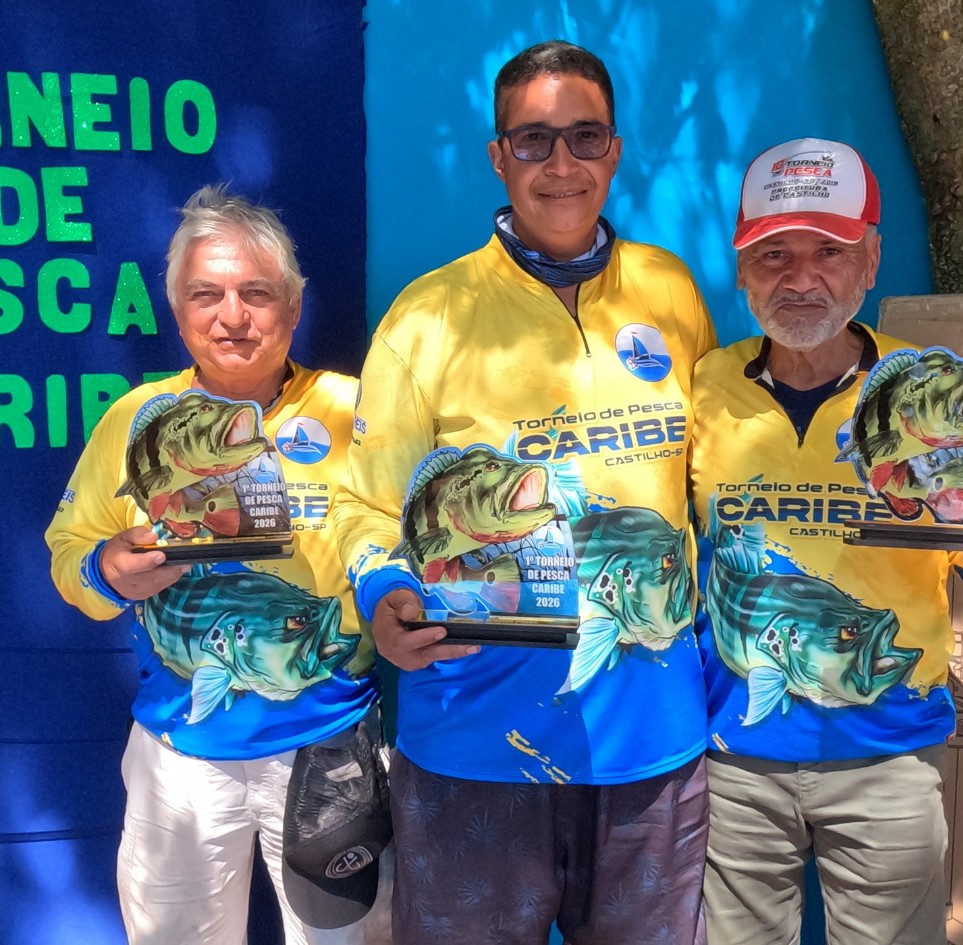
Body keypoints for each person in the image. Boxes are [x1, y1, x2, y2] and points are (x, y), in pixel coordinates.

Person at [333, 40, 717, 945]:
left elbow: (711, 484)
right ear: (498, 157)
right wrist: (383, 594)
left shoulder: (669, 292)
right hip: (472, 741)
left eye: (585, 137)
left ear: (614, 150)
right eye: (534, 140)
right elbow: (364, 506)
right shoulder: (426, 317)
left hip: (651, 746)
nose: (562, 163)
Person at [690, 137, 963, 945]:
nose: (801, 278)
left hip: (889, 754)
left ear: (870, 261)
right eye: (774, 254)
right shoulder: (702, 388)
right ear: (742, 268)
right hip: (732, 757)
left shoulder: (932, 390)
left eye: (829, 251)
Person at [45, 185, 389, 945]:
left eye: (256, 293)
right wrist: (106, 570)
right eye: (207, 294)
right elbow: (69, 554)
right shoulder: (135, 421)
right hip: (180, 756)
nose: (233, 316)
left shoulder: (357, 411)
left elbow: (406, 548)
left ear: (293, 308)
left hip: (331, 746)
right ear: (178, 312)